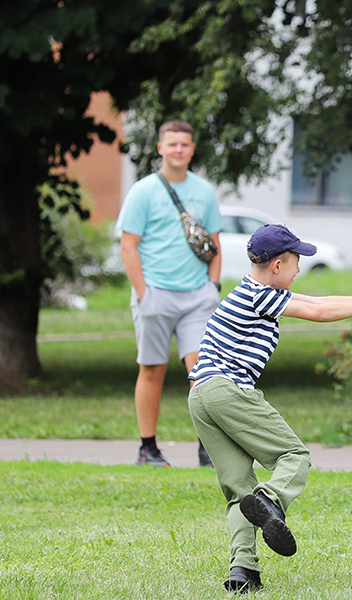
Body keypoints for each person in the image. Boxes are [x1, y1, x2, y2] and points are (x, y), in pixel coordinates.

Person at [187, 223, 352, 593]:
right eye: (296, 263)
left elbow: (317, 302)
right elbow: (316, 311)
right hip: (227, 389)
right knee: (294, 455)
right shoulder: (260, 294)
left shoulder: (248, 290)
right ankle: (270, 502)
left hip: (200, 394)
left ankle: (243, 571)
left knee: (239, 488)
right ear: (277, 266)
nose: (300, 270)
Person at [116, 119, 223, 468]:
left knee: (203, 371)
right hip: (156, 293)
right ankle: (148, 448)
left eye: (185, 144)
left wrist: (213, 287)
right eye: (172, 144)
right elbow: (128, 247)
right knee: (152, 369)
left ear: (192, 149)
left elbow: (215, 244)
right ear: (160, 147)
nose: (178, 150)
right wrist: (144, 293)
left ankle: (208, 447)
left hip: (197, 297)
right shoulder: (143, 191)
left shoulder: (204, 191)